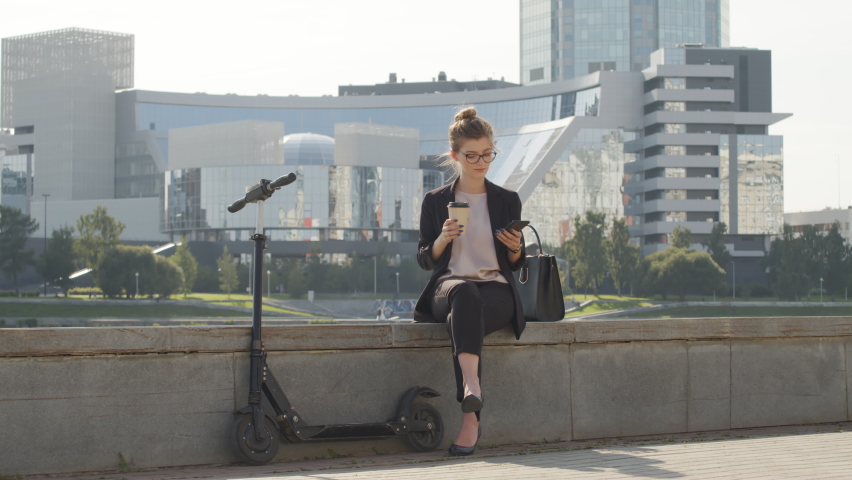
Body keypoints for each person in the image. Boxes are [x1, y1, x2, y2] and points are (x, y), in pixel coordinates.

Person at [413, 107, 526, 456]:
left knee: (463, 316)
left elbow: (516, 263)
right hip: (449, 286)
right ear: (455, 155)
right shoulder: (436, 201)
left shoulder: (507, 200)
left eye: (487, 154)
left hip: (496, 290)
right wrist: (443, 240)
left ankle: (470, 415)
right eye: (472, 155)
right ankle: (472, 386)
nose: (481, 161)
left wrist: (516, 248)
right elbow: (424, 259)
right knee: (463, 295)